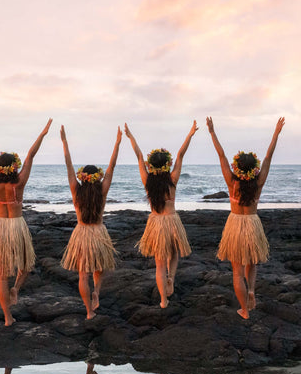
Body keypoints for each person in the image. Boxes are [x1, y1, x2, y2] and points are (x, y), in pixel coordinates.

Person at [0, 117, 53, 326]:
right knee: (25, 266)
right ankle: (16, 289)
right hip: (16, 226)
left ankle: (7, 317)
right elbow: (31, 156)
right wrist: (42, 134)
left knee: (1, 276)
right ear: (14, 167)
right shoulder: (19, 182)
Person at [206, 117, 285, 318]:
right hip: (252, 224)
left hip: (235, 224)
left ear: (237, 167)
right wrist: (276, 133)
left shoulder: (232, 182)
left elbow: (221, 154)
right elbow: (269, 155)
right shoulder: (259, 182)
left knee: (237, 272)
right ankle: (251, 291)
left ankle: (244, 309)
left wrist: (212, 132)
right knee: (252, 262)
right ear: (254, 169)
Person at [123, 121, 199, 307]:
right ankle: (171, 278)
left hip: (156, 223)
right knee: (173, 253)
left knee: (159, 265)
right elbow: (181, 154)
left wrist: (131, 137)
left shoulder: (147, 180)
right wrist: (189, 135)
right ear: (167, 165)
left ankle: (163, 300)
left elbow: (139, 156)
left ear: (151, 165)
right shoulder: (172, 179)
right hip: (172, 221)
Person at [60, 126, 122, 319]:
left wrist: (64, 142)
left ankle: (88, 311)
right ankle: (96, 290)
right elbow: (111, 168)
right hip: (98, 232)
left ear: (82, 177)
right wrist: (117, 143)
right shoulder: (102, 191)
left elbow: (68, 166)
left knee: (82, 275)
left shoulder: (76, 190)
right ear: (97, 178)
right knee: (100, 266)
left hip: (81, 233)